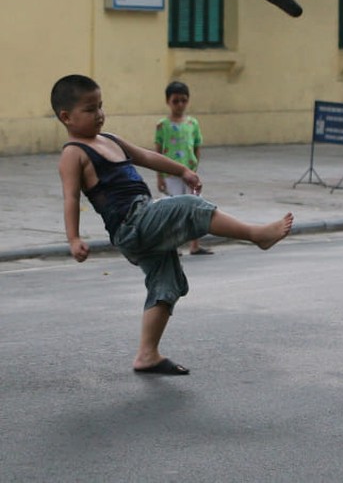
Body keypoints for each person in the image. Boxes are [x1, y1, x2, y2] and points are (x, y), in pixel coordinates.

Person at [51, 74, 294, 376]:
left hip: (145, 218)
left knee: (166, 283)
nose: (99, 114)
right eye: (90, 109)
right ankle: (256, 235)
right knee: (190, 207)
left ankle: (147, 355)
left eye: (101, 106)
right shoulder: (73, 154)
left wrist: (183, 170)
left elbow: (146, 156)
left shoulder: (109, 139)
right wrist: (73, 238)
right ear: (66, 116)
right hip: (132, 224)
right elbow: (71, 198)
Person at [155, 80, 210, 256]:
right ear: (167, 101)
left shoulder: (192, 123)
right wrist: (159, 176)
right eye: (175, 101)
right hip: (170, 175)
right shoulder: (162, 125)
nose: (180, 104)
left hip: (189, 174)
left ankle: (195, 244)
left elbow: (197, 146)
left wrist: (194, 168)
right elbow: (157, 152)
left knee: (194, 207)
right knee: (173, 210)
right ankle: (173, 245)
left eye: (183, 100)